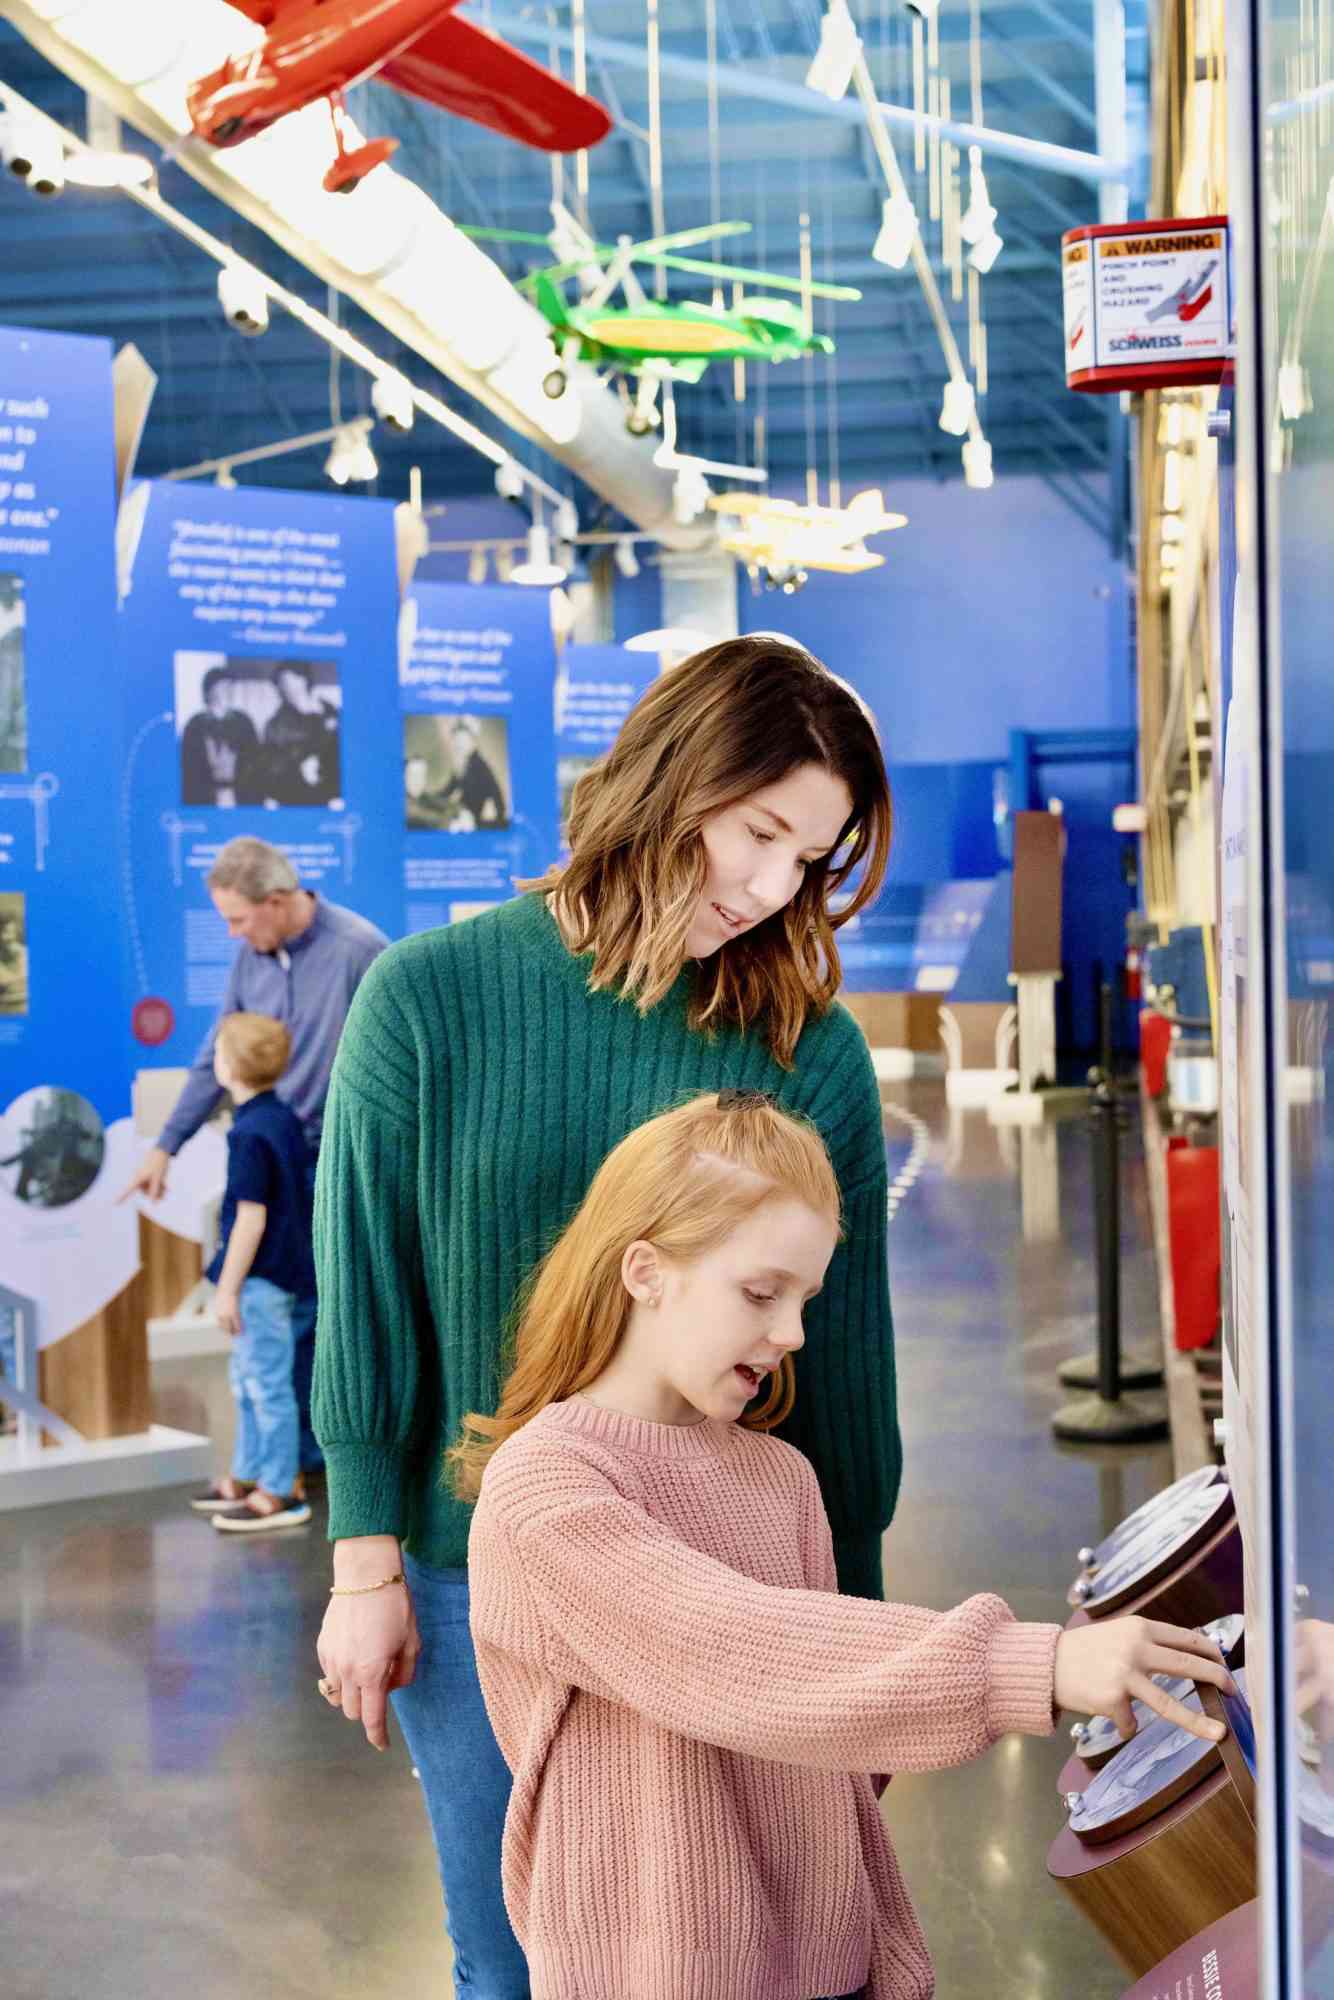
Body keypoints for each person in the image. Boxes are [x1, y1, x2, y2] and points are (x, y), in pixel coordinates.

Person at [313, 637, 900, 1999]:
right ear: (667, 779)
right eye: (757, 832)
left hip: (736, 1585)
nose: (770, 890)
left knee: (725, 1959)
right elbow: (369, 1291)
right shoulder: (429, 998)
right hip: (478, 1580)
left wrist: (859, 1630)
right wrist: (361, 1564)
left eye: (807, 864)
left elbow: (850, 1370)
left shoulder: (809, 1050)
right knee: (512, 1963)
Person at [431, 1093, 1234, 2000]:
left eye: (804, 1298)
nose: (791, 1334)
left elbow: (833, 1738)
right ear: (646, 1271)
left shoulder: (781, 1480)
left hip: (830, 1969)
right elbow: (725, 1648)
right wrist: (1030, 1665)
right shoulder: (546, 1490)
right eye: (760, 1293)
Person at [121, 836, 387, 1477]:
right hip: (276, 1164)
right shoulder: (250, 963)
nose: (234, 934)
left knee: (327, 1318)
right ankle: (292, 1461)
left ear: (276, 901)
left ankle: (326, 1461)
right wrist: (165, 1148)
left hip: (337, 1169)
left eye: (239, 920)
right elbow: (215, 1058)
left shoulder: (361, 950)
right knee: (287, 1321)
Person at [192, 1012, 314, 1534]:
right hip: (283, 1276)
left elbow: (250, 1216)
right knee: (249, 1379)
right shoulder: (282, 1119)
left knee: (264, 1384)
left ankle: (281, 1487)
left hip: (259, 1282)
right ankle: (248, 1472)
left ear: (230, 1066)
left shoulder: (247, 1135)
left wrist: (228, 1289)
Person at [259, 663, 340, 805]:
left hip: (332, 796)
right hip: (296, 797)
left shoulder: (331, 711)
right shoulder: (276, 724)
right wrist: (298, 767)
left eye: (292, 680)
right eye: (282, 683)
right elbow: (271, 769)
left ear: (304, 679)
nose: (288, 688)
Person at [180, 667, 260, 808]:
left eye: (230, 688)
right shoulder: (195, 725)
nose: (228, 692)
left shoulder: (244, 722)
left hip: (241, 800)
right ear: (208, 692)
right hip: (205, 801)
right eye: (223, 688)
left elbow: (256, 764)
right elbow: (188, 771)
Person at [438, 716, 507, 829]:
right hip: (467, 817)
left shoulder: (478, 765)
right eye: (457, 741)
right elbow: (448, 790)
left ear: (472, 742)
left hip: (478, 822)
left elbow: (496, 797)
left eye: (463, 741)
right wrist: (428, 799)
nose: (460, 745)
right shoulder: (463, 763)